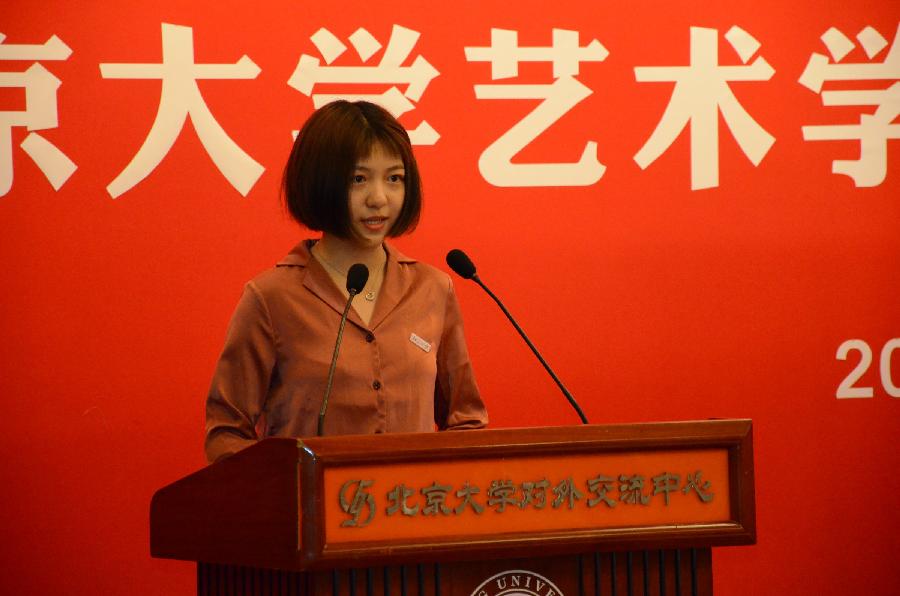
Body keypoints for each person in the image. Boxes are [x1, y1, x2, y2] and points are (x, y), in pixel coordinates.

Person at [204, 100, 487, 463]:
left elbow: (466, 421)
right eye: (358, 179)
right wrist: (282, 482)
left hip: (411, 498)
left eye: (394, 178)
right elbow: (226, 434)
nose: (379, 199)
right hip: (309, 499)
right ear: (320, 181)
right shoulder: (271, 298)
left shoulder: (432, 289)